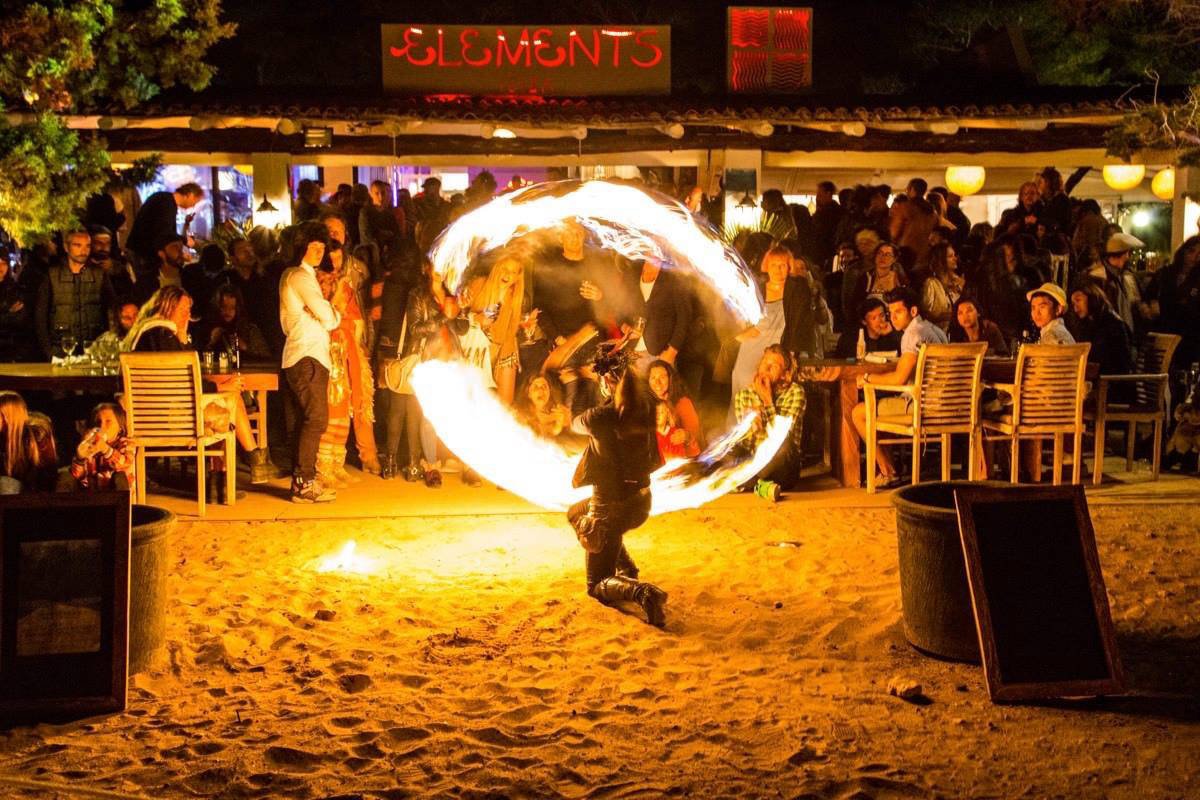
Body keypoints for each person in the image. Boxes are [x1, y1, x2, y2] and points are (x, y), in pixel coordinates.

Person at [566, 350, 667, 628]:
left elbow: (574, 421)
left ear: (607, 382)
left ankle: (642, 592)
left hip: (609, 508)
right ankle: (628, 568)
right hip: (641, 503)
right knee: (575, 513)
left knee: (596, 583)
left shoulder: (602, 416)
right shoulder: (646, 406)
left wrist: (578, 381)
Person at [851, 287, 948, 486]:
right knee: (881, 406)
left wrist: (867, 378)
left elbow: (899, 379)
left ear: (913, 312)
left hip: (923, 406)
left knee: (859, 412)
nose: (892, 318)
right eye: (890, 313)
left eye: (898, 312)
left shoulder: (913, 334)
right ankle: (890, 468)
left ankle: (887, 471)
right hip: (946, 403)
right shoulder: (935, 329)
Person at [381, 258, 460, 485]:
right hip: (425, 360)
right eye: (436, 265)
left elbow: (461, 329)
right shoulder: (418, 294)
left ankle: (424, 461)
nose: (439, 271)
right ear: (427, 268)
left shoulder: (451, 293)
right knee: (415, 413)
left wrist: (461, 309)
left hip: (450, 360)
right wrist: (445, 315)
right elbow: (415, 329)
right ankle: (418, 464)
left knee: (437, 414)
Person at [280, 222, 340, 503]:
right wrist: (331, 313)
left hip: (301, 354)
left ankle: (303, 481)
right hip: (308, 355)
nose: (318, 251)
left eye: (321, 247)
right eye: (312, 246)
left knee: (306, 420)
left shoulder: (295, 277)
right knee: (316, 418)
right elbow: (327, 317)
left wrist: (322, 313)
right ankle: (304, 483)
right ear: (300, 247)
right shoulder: (300, 278)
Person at [728, 245, 792, 423]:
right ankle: (739, 441)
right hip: (750, 350)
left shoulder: (794, 292)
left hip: (775, 355)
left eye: (783, 265)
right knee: (743, 393)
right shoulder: (757, 291)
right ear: (767, 267)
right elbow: (740, 319)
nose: (778, 270)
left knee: (767, 396)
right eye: (774, 265)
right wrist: (738, 336)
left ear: (789, 267)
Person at [733, 345, 806, 499]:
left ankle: (743, 482)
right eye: (764, 363)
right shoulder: (744, 395)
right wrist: (751, 427)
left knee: (783, 447)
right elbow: (745, 447)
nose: (765, 368)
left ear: (785, 375)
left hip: (783, 465)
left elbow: (782, 436)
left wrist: (767, 401)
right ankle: (761, 485)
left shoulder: (795, 392)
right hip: (755, 462)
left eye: (773, 366)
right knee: (727, 448)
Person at [34, 228, 108, 359]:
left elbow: (110, 310)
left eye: (87, 246)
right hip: (60, 349)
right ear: (66, 247)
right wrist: (49, 352)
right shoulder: (52, 275)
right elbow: (40, 316)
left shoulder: (99, 274)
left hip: (93, 349)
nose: (83, 251)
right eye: (77, 245)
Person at [464, 250, 525, 405]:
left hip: (502, 352)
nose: (507, 274)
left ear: (517, 276)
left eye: (513, 272)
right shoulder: (478, 284)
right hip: (475, 351)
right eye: (504, 268)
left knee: (503, 406)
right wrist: (475, 318)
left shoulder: (515, 298)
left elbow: (510, 331)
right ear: (497, 267)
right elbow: (456, 315)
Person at [126, 182, 204, 269]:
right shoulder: (166, 202)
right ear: (189, 195)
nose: (193, 206)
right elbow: (164, 232)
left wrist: (180, 254)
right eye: (195, 202)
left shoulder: (166, 200)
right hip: (142, 254)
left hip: (141, 252)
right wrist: (185, 240)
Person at [1066, 280, 1133, 378]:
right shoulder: (1087, 324)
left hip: (1111, 383)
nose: (1076, 308)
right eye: (1073, 303)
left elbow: (1119, 364)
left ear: (1092, 297)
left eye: (1078, 300)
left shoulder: (1114, 325)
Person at [70, 402, 136, 492]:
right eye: (98, 422)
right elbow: (77, 475)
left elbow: (124, 465)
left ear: (120, 427)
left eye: (108, 421)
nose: (102, 426)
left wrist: (106, 449)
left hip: (118, 498)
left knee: (120, 476)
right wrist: (80, 458)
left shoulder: (125, 443)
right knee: (65, 476)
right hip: (94, 494)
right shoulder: (91, 444)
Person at [0, 391, 58, 493]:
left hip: (31, 494)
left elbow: (44, 477)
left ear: (8, 416)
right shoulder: (2, 438)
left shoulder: (35, 438)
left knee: (7, 484)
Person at [648, 359, 703, 461]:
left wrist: (685, 435)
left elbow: (696, 434)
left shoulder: (682, 403)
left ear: (670, 379)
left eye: (662, 377)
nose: (657, 382)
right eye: (653, 378)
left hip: (687, 461)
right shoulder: (648, 404)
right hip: (662, 465)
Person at [780, 250, 829, 359]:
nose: (798, 272)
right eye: (794, 269)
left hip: (813, 351)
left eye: (802, 268)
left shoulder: (815, 296)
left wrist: (815, 297)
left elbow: (823, 320)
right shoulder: (787, 297)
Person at [1096, 232, 1144, 335]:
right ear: (1124, 254)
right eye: (1128, 253)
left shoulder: (1127, 276)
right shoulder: (1098, 277)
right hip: (1111, 336)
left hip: (1127, 335)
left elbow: (1135, 305)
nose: (1129, 257)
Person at [834, 298, 903, 358]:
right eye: (874, 318)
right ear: (864, 321)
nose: (879, 321)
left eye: (882, 315)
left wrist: (893, 332)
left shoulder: (893, 335)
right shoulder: (851, 338)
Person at [921, 242, 965, 331]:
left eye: (954, 255)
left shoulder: (958, 281)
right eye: (950, 256)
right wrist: (955, 314)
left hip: (959, 332)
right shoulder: (931, 284)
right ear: (940, 260)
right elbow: (926, 315)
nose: (955, 258)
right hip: (940, 334)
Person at [517, 374, 574, 443]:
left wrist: (562, 421)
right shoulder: (520, 416)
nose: (541, 390)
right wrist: (557, 425)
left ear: (549, 393)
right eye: (535, 387)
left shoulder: (557, 411)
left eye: (544, 386)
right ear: (528, 393)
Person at [0, 255, 35, 361]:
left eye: (4, 263)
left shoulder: (14, 289)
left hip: (10, 350)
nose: (0, 267)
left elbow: (20, 320)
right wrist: (8, 312)